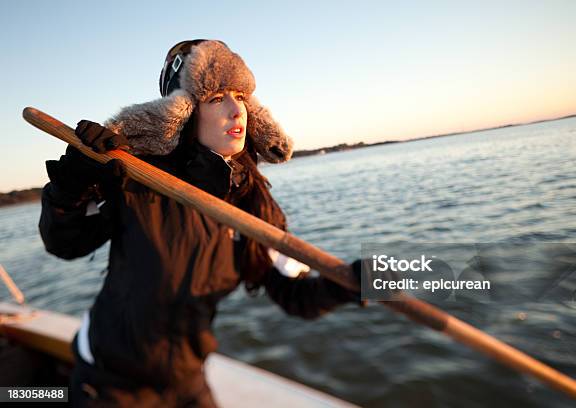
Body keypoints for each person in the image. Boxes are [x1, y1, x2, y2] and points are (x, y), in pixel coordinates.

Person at [39, 39, 362, 407]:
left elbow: (294, 296)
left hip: (188, 381)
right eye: (215, 98)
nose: (235, 110)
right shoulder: (136, 181)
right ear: (183, 112)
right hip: (110, 382)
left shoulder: (252, 204)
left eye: (240, 96)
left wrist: (351, 283)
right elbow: (64, 243)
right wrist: (71, 187)